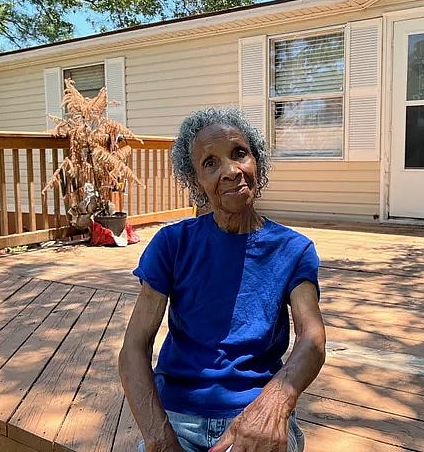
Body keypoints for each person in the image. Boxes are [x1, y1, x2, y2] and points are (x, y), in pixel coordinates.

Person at [119, 107, 326, 452]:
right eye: (210, 163)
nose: (230, 171)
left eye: (239, 153)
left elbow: (313, 338)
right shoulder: (172, 244)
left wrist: (273, 405)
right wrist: (159, 437)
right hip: (177, 416)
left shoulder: (293, 249)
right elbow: (134, 348)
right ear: (196, 182)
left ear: (257, 162)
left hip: (257, 412)